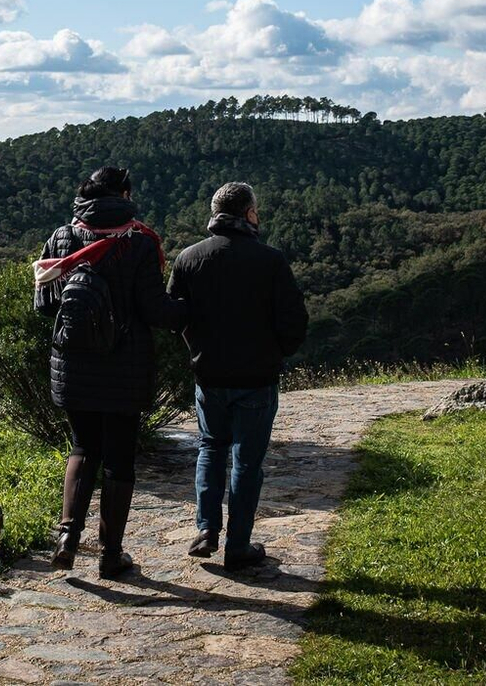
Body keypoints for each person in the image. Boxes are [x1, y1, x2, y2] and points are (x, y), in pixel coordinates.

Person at [35, 166, 186, 578]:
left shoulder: (63, 236)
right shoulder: (138, 242)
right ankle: (109, 554)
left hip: (74, 364)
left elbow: (46, 305)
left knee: (83, 448)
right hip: (126, 367)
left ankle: (67, 537)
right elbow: (156, 312)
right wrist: (190, 308)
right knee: (119, 459)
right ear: (124, 193)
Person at [167, 181, 307, 570]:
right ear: (248, 213)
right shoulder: (270, 260)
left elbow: (174, 316)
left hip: (209, 374)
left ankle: (206, 529)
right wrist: (278, 352)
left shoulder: (189, 258)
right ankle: (238, 545)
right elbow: (294, 320)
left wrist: (196, 349)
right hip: (257, 378)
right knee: (247, 461)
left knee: (211, 447)